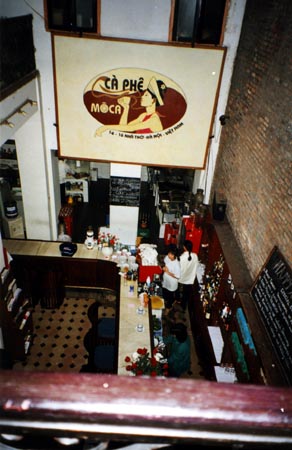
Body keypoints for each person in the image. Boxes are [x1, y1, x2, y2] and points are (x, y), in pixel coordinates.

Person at [95, 77, 167, 136]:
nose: (142, 96)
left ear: (153, 100)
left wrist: (105, 127)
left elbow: (131, 128)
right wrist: (126, 108)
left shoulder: (154, 119)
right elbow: (123, 128)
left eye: (146, 95)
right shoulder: (143, 116)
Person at [177, 240, 199, 311]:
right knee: (186, 293)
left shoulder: (182, 257)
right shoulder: (195, 256)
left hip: (182, 277)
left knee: (177, 288)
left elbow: (178, 267)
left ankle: (177, 299)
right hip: (190, 278)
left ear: (184, 247)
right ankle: (183, 305)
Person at [162, 244, 181, 309]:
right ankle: (165, 302)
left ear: (173, 255)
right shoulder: (167, 258)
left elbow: (177, 276)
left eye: (170, 254)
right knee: (165, 292)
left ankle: (169, 307)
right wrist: (165, 267)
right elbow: (165, 263)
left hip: (172, 283)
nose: (168, 254)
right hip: (166, 280)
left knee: (170, 296)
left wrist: (167, 272)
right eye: (168, 253)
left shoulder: (177, 265)